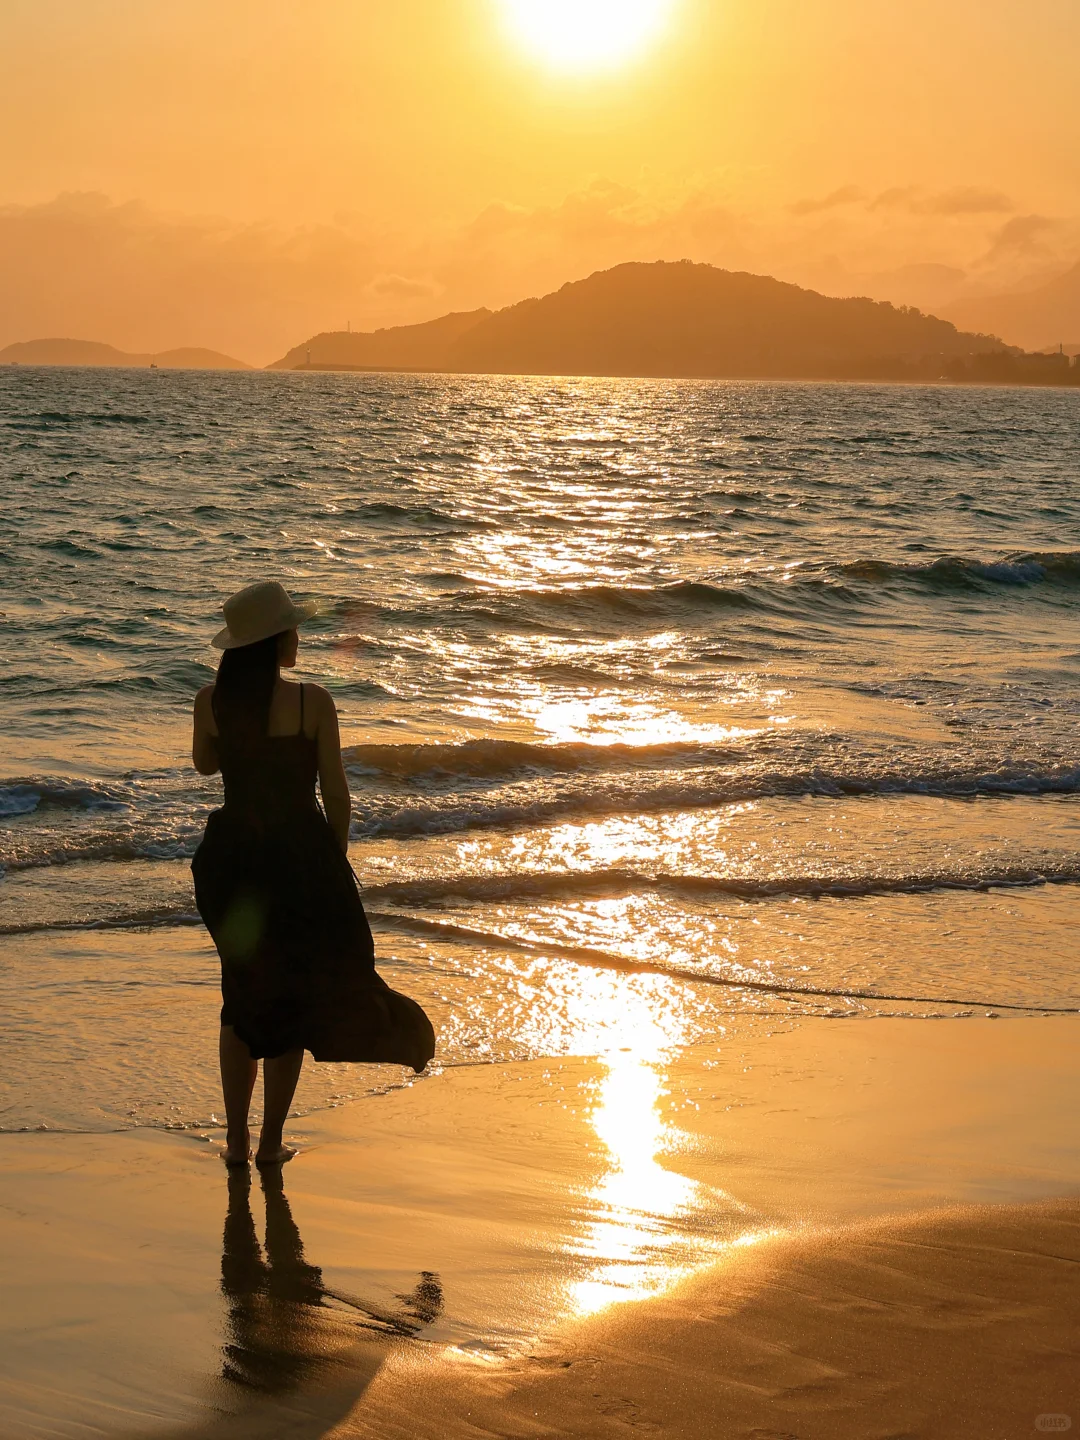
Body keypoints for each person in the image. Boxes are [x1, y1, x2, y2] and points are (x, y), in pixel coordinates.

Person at [191, 580, 434, 1167]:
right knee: (291, 997)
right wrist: (334, 863)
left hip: (234, 866)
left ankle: (234, 1141)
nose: (299, 636)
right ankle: (271, 1144)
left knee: (240, 997)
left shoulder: (210, 701)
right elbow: (338, 795)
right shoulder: (313, 704)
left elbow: (204, 767)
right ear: (277, 641)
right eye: (293, 628)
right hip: (299, 865)